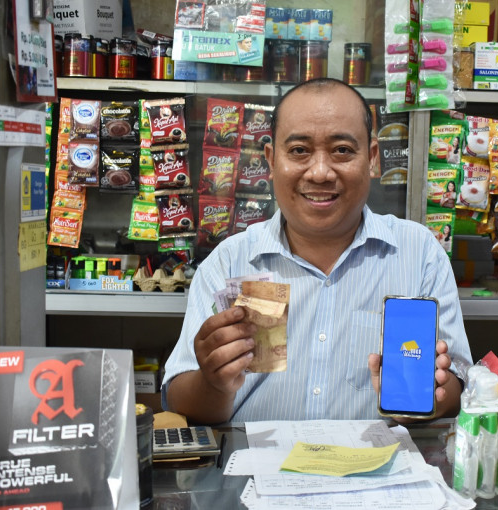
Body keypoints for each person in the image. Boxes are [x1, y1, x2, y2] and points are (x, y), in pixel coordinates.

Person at [162, 78, 472, 424]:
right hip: (254, 471)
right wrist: (213, 382)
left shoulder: (419, 253)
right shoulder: (230, 260)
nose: (321, 172)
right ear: (270, 159)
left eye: (341, 150)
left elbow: (457, 387)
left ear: (371, 158)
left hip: (378, 471)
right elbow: (181, 400)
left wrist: (428, 395)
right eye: (299, 151)